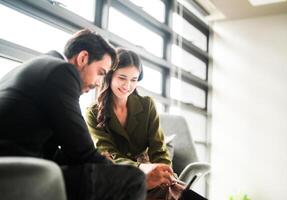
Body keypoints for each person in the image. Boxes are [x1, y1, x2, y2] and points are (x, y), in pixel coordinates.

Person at [0, 29, 146, 200]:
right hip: (18, 173)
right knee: (133, 179)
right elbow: (82, 151)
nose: (99, 82)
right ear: (83, 58)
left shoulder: (39, 66)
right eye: (101, 72)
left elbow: (59, 147)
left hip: (15, 164)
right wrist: (111, 167)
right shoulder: (62, 72)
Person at [85, 48, 184, 199]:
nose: (127, 85)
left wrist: (167, 175)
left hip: (150, 175)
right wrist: (142, 168)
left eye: (134, 80)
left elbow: (159, 148)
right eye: (122, 78)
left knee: (177, 193)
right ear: (110, 76)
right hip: (117, 176)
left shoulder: (147, 105)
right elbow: (106, 154)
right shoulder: (92, 112)